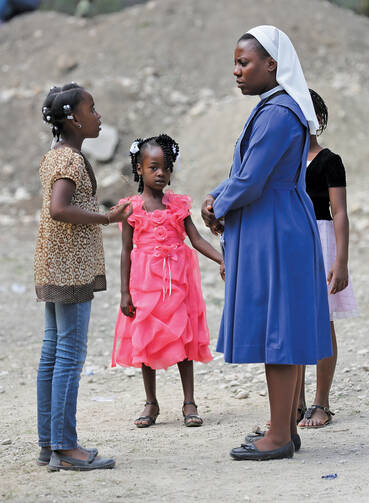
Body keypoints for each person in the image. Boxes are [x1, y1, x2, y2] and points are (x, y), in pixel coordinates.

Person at [201, 26, 332, 461]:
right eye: (235, 63)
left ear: (271, 65)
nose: (236, 71)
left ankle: (278, 437)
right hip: (280, 222)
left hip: (274, 226)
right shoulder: (278, 107)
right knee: (287, 328)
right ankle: (284, 429)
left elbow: (253, 179)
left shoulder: (277, 113)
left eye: (244, 62)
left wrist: (218, 205)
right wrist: (219, 196)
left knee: (279, 331)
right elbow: (249, 170)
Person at [35, 83, 131, 471]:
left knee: (53, 354)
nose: (98, 115)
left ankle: (49, 444)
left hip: (53, 264)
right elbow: (60, 208)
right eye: (91, 108)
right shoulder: (72, 162)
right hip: (70, 267)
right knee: (69, 357)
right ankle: (65, 447)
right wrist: (107, 218)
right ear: (73, 118)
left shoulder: (55, 155)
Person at [112, 134, 224, 428]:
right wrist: (125, 293)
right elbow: (126, 251)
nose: (161, 173)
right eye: (153, 167)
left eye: (166, 167)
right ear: (139, 169)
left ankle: (189, 401)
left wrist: (222, 259)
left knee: (182, 338)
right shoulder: (131, 208)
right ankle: (151, 402)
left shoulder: (177, 205)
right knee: (146, 340)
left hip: (178, 284)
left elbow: (196, 238)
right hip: (144, 285)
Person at [298, 89, 359, 428]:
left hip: (321, 246)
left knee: (322, 322)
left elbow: (339, 213)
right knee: (292, 324)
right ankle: (296, 402)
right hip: (290, 246)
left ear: (318, 120)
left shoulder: (329, 161)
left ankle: (321, 402)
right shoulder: (282, 162)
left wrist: (341, 262)